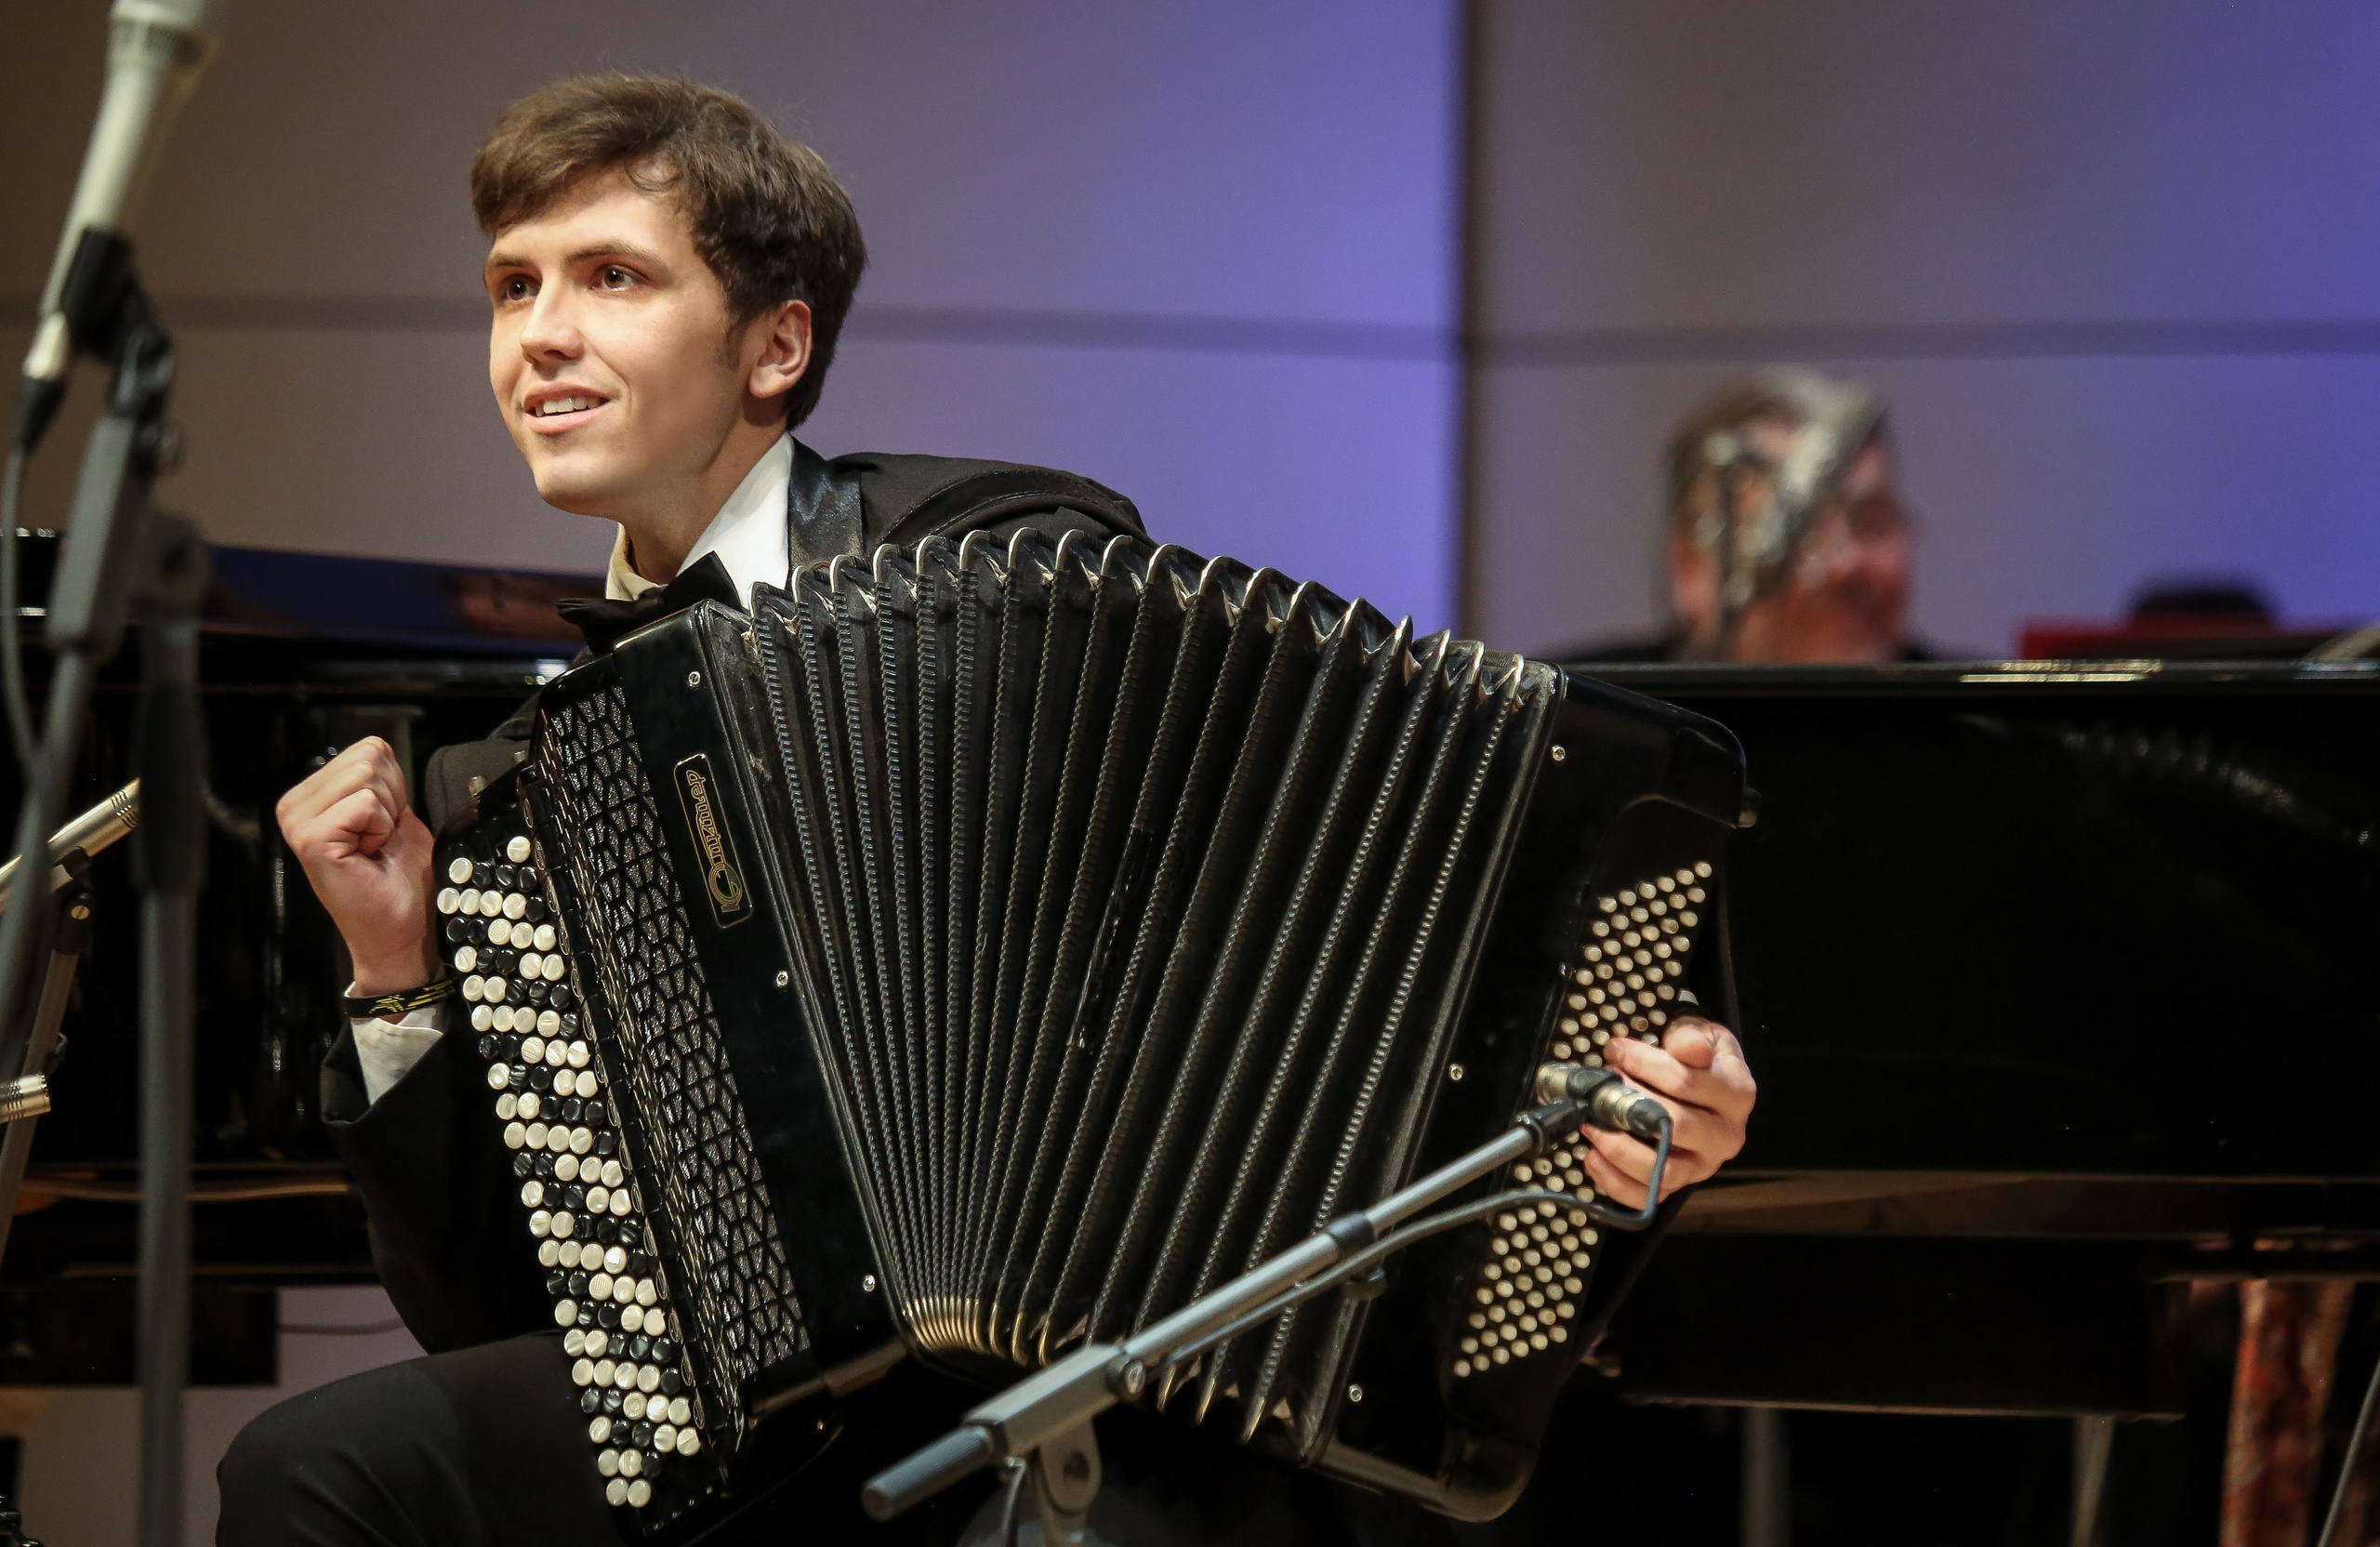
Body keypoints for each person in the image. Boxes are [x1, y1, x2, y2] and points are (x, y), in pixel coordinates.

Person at [233, 74, 1758, 1546]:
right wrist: (397, 973)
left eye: (612, 276)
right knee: (317, 1462)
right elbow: (493, 1311)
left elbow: (1301, 882)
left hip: (1106, 1367)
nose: (541, 339)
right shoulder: (512, 784)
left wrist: (1609, 1069)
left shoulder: (1007, 564)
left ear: (775, 347)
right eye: (513, 287)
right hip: (753, 1419)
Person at [1562, 366, 1931, 665]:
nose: (1847, 565)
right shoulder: (1574, 722)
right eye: (1799, 531)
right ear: (1690, 568)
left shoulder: (1981, 722)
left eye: (1873, 524)